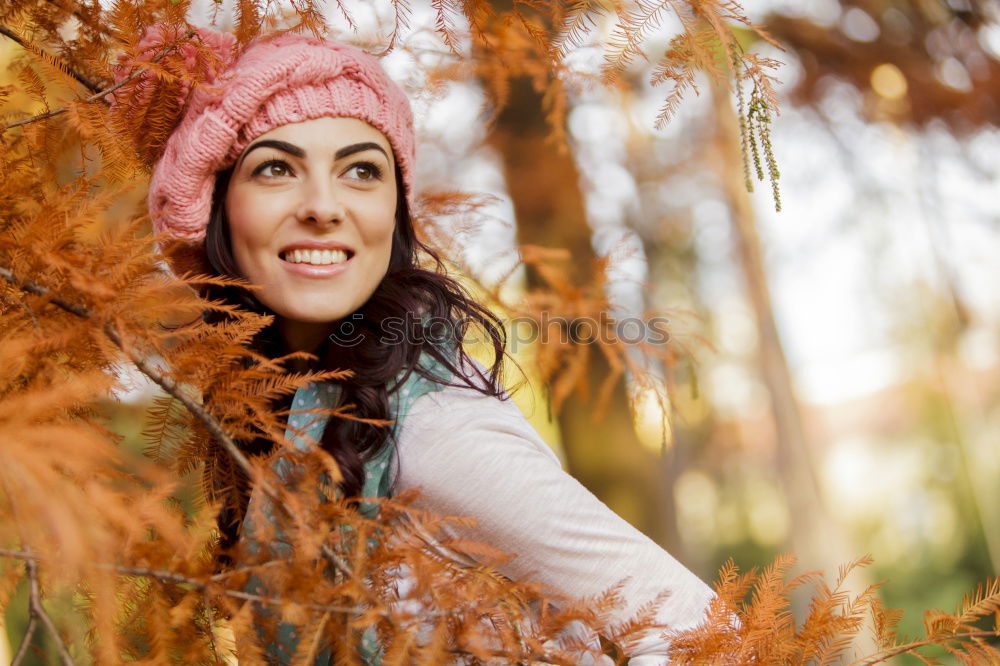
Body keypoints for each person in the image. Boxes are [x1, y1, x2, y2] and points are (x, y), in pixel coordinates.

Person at [145, 29, 715, 665]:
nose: (323, 207)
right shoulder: (293, 423)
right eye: (276, 168)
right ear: (218, 208)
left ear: (394, 214)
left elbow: (703, 630)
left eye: (361, 170)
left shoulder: (431, 423)